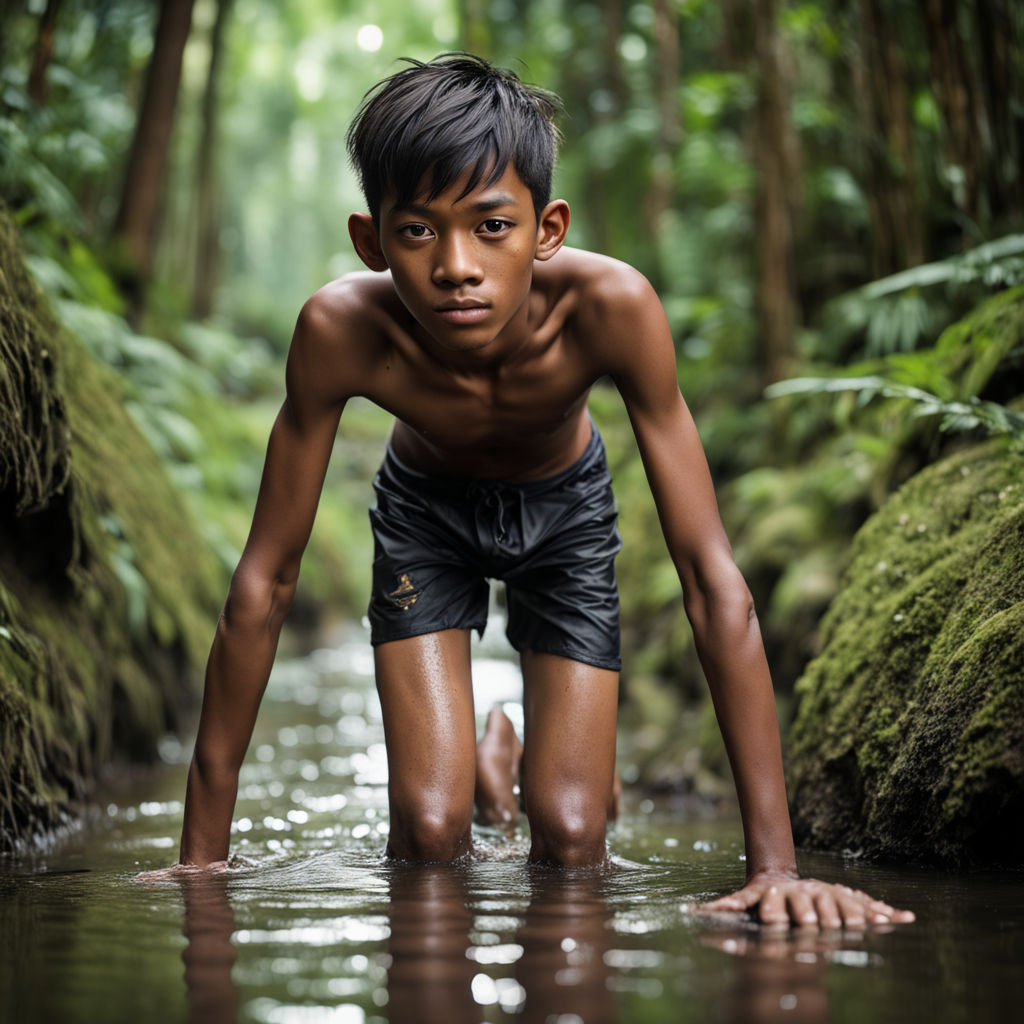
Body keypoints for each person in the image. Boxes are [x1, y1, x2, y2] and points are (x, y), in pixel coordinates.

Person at [168, 54, 913, 929]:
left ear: (547, 227)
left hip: (565, 513)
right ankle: (480, 764)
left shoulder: (611, 309)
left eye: (491, 226)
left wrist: (776, 870)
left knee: (569, 841)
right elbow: (265, 584)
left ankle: (514, 751)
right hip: (424, 516)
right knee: (431, 833)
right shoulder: (340, 331)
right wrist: (201, 864)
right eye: (417, 232)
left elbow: (712, 581)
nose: (456, 266)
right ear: (372, 241)